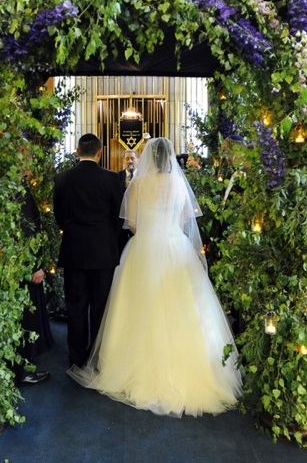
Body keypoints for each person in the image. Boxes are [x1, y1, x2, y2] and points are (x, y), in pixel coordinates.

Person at [68, 137, 242, 417]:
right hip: (176, 248)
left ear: (148, 157)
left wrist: (151, 231)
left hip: (144, 248)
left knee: (138, 307)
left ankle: (128, 365)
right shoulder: (178, 184)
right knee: (184, 308)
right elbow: (186, 218)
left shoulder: (137, 184)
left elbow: (132, 224)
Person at [53, 133, 123, 368]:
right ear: (100, 152)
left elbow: (59, 217)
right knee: (102, 308)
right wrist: (106, 238)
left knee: (75, 306)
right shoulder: (112, 179)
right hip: (103, 252)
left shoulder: (62, 178)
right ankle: (100, 357)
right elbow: (117, 218)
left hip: (74, 251)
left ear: (77, 151)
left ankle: (76, 358)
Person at [15, 184, 55, 386]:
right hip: (24, 266)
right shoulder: (18, 190)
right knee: (26, 317)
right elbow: (27, 228)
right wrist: (35, 266)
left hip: (12, 264)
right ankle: (22, 369)